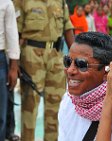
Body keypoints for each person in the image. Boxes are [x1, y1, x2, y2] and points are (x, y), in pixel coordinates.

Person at [58, 32, 112, 141]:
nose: (70, 70)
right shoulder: (68, 100)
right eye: (67, 62)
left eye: (81, 64)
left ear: (106, 71)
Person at [13, 0, 74, 140]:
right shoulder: (21, 1)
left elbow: (68, 29)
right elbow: (15, 33)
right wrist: (14, 64)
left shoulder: (60, 1)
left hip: (56, 57)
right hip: (31, 57)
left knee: (56, 107)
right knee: (30, 106)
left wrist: (76, 58)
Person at [0, 0, 20, 140]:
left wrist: (13, 67)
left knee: (0, 113)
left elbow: (12, 35)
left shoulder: (6, 3)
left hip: (0, 58)